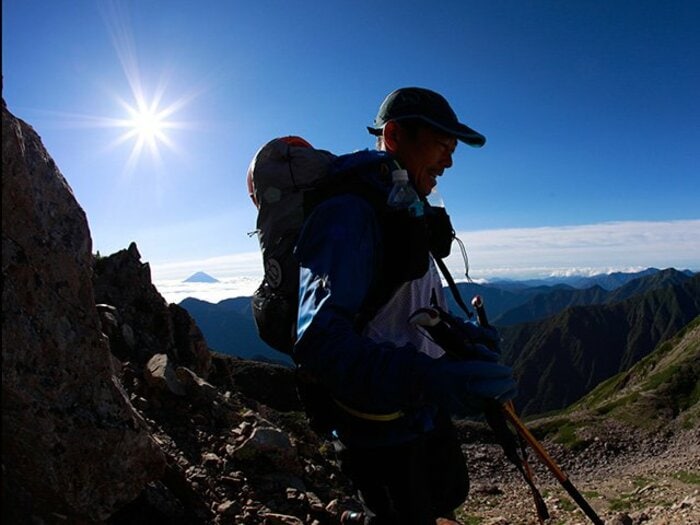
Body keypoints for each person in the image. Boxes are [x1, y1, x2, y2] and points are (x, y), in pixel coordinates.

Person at [293, 87, 517, 524]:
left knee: (446, 494)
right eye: (440, 145)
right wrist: (433, 378)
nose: (449, 162)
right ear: (394, 136)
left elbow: (407, 308)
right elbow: (319, 345)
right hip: (376, 427)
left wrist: (461, 340)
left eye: (453, 150)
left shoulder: (404, 211)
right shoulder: (348, 215)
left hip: (419, 410)